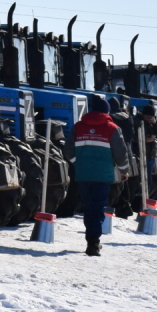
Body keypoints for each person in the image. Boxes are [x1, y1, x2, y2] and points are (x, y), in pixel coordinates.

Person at [63, 95, 130, 257]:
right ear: (106, 111)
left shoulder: (78, 127)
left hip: (83, 174)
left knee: (88, 207)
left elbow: (67, 150)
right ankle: (93, 242)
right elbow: (120, 153)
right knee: (98, 207)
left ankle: (90, 238)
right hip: (103, 175)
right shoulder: (113, 128)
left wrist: (77, 162)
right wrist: (124, 170)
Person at [140, 104, 157, 187]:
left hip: (151, 154)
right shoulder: (137, 121)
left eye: (151, 117)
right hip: (141, 154)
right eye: (148, 117)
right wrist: (143, 139)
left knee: (148, 179)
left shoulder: (152, 123)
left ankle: (147, 196)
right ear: (143, 115)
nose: (149, 119)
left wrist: (156, 124)